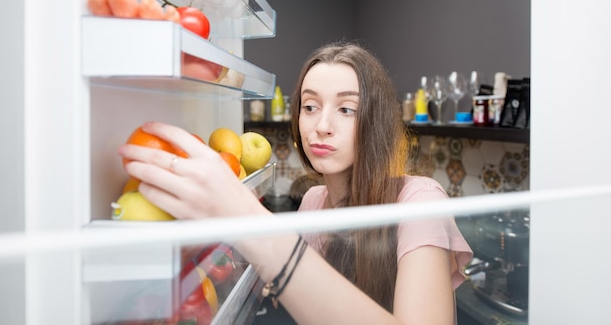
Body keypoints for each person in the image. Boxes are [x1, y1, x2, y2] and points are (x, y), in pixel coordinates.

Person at [119, 41, 473, 325]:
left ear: (374, 122)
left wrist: (244, 217)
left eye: (346, 109)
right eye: (310, 106)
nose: (321, 126)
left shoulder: (420, 201)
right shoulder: (313, 202)